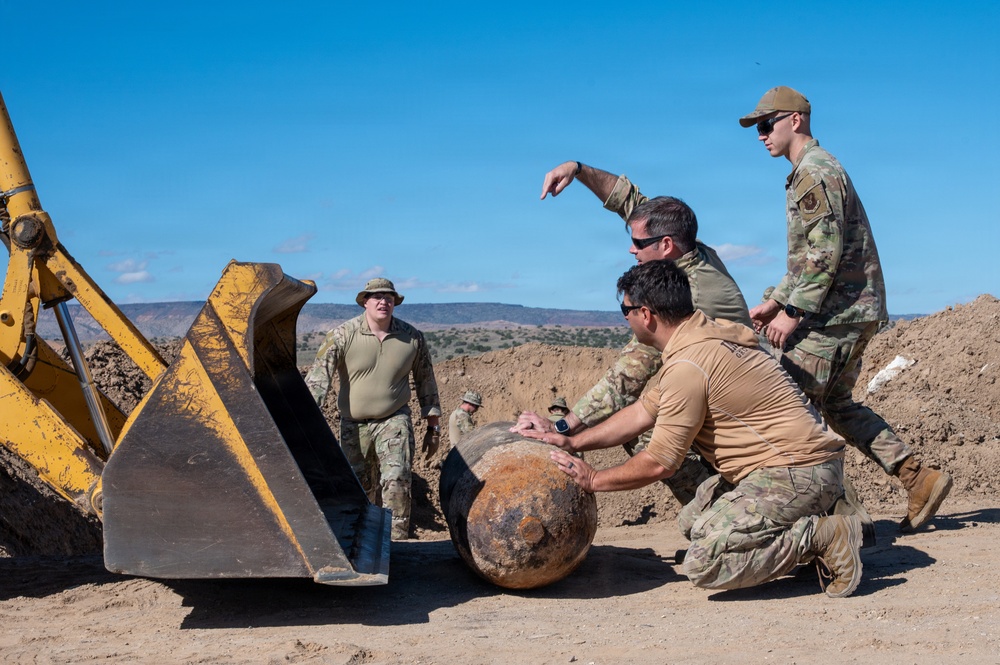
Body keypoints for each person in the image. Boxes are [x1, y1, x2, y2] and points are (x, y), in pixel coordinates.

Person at [521, 259, 864, 598]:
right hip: (793, 467)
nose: (625, 318)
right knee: (693, 522)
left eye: (625, 310)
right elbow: (640, 413)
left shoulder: (689, 363)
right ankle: (811, 517)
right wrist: (569, 440)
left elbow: (660, 463)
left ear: (646, 314)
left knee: (704, 563)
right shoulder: (703, 337)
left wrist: (594, 480)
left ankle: (824, 535)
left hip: (796, 472)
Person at [739, 86, 951, 532]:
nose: (760, 135)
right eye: (756, 128)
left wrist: (792, 313)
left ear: (795, 120)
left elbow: (825, 250)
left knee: (793, 410)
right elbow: (807, 257)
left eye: (766, 124)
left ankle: (847, 517)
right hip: (852, 309)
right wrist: (776, 299)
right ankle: (918, 479)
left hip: (834, 314)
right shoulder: (812, 169)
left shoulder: (813, 171)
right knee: (835, 405)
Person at [514, 166, 752, 505]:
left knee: (642, 429)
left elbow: (624, 380)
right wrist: (578, 170)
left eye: (637, 243)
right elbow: (630, 202)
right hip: (725, 383)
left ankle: (723, 511)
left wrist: (561, 428)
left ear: (666, 245)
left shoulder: (686, 293)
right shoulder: (687, 248)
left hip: (738, 408)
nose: (631, 250)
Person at [305, 277, 441, 541]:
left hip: (394, 418)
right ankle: (362, 543)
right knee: (359, 486)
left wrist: (433, 425)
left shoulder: (412, 338)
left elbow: (426, 380)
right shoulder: (342, 335)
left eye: (389, 298)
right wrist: (306, 421)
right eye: (377, 297)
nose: (383, 302)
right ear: (365, 302)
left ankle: (397, 542)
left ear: (395, 303)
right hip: (353, 423)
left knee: (397, 477)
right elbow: (319, 379)